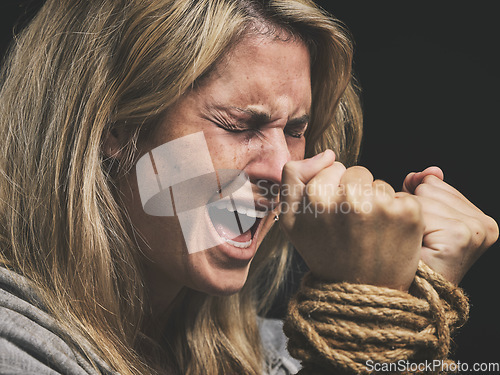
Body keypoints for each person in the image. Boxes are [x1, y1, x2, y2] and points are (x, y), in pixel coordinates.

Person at [0, 1, 497, 374]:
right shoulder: (15, 349)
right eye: (239, 125)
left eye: (296, 130)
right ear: (115, 126)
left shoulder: (276, 354)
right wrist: (366, 330)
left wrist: (401, 312)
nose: (283, 168)